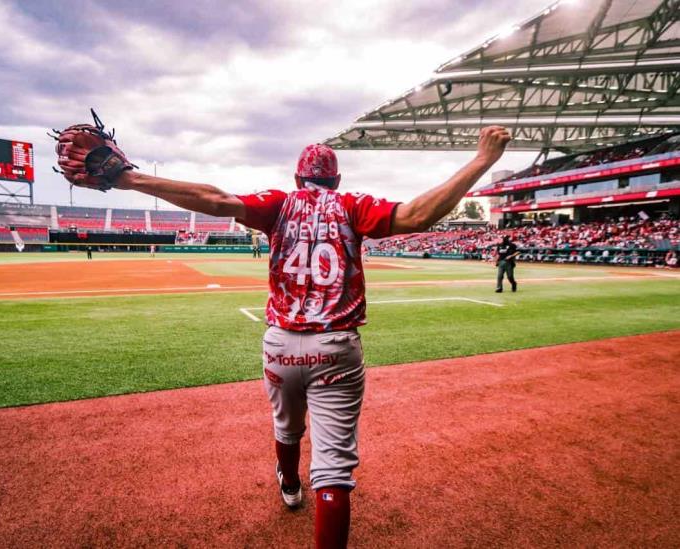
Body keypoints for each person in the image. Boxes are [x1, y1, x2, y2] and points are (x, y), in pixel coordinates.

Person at [59, 124, 511, 548]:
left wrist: (129, 179)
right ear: (336, 180)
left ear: (298, 177)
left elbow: (214, 199)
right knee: (334, 470)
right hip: (337, 347)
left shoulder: (277, 203)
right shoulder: (353, 205)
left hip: (280, 343)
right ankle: (311, 490)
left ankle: (290, 485)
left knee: (286, 427)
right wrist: (482, 159)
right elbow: (417, 215)